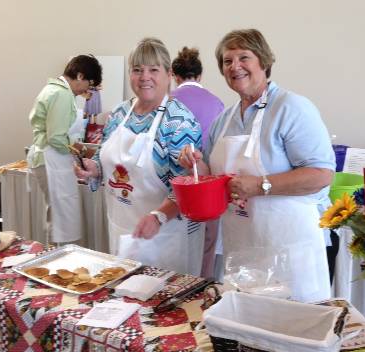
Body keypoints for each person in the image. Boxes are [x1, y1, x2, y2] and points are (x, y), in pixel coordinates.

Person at [179, 29, 336, 302]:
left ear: (263, 61)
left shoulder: (292, 108)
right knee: (248, 328)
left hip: (289, 246)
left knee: (292, 326)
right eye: (227, 61)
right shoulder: (224, 119)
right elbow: (213, 178)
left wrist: (261, 185)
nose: (235, 66)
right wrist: (195, 164)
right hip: (241, 245)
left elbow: (322, 174)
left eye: (244, 57)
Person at [74, 38, 204, 275]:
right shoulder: (120, 112)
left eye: (153, 70)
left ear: (168, 74)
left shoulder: (179, 121)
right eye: (137, 70)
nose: (145, 77)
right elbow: (104, 155)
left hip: (165, 238)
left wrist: (158, 217)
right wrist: (94, 169)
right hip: (122, 227)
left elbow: (188, 186)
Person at [27, 55, 102, 245]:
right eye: (89, 84)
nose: (88, 91)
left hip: (47, 157)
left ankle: (55, 261)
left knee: (57, 217)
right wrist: (80, 149)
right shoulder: (61, 94)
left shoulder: (53, 89)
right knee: (61, 218)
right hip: (51, 159)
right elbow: (56, 137)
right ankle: (57, 265)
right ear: (79, 75)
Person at [171, 47, 225, 278]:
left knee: (173, 248)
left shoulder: (168, 102)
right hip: (205, 186)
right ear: (200, 75)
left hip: (171, 186)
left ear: (174, 75)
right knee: (207, 245)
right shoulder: (217, 104)